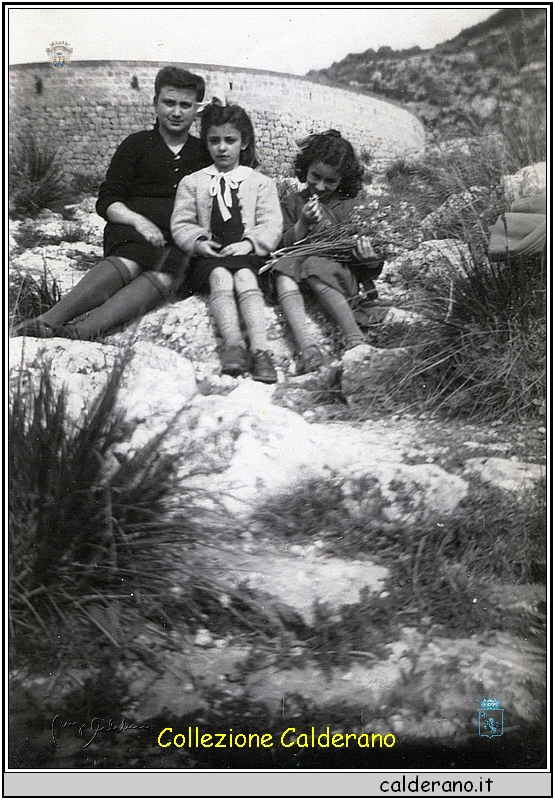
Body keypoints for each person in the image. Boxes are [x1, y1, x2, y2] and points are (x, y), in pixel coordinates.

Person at [14, 66, 211, 340]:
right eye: (169, 102)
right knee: (129, 260)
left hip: (180, 238)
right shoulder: (136, 145)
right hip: (131, 232)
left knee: (170, 272)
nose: (176, 112)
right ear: (155, 103)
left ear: (196, 110)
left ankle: (81, 332)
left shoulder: (204, 152)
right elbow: (108, 199)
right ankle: (46, 321)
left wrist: (217, 114)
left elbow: (241, 166)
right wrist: (138, 221)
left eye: (185, 105)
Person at [171, 102, 282, 383]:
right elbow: (181, 222)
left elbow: (271, 223)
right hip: (210, 256)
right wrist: (197, 242)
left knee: (245, 278)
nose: (222, 148)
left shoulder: (260, 183)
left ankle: (260, 351)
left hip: (247, 254)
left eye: (230, 140)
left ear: (243, 142)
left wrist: (250, 243)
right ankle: (233, 346)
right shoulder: (193, 182)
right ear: (206, 143)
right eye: (214, 141)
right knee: (221, 277)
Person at [272, 130, 383, 374]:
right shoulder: (292, 203)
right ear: (305, 169)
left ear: (343, 179)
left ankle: (354, 338)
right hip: (296, 277)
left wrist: (371, 259)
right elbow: (280, 246)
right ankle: (307, 347)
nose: (320, 186)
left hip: (338, 278)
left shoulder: (349, 206)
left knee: (313, 264)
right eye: (315, 176)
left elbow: (368, 262)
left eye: (330, 181)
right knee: (281, 270)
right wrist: (302, 224)